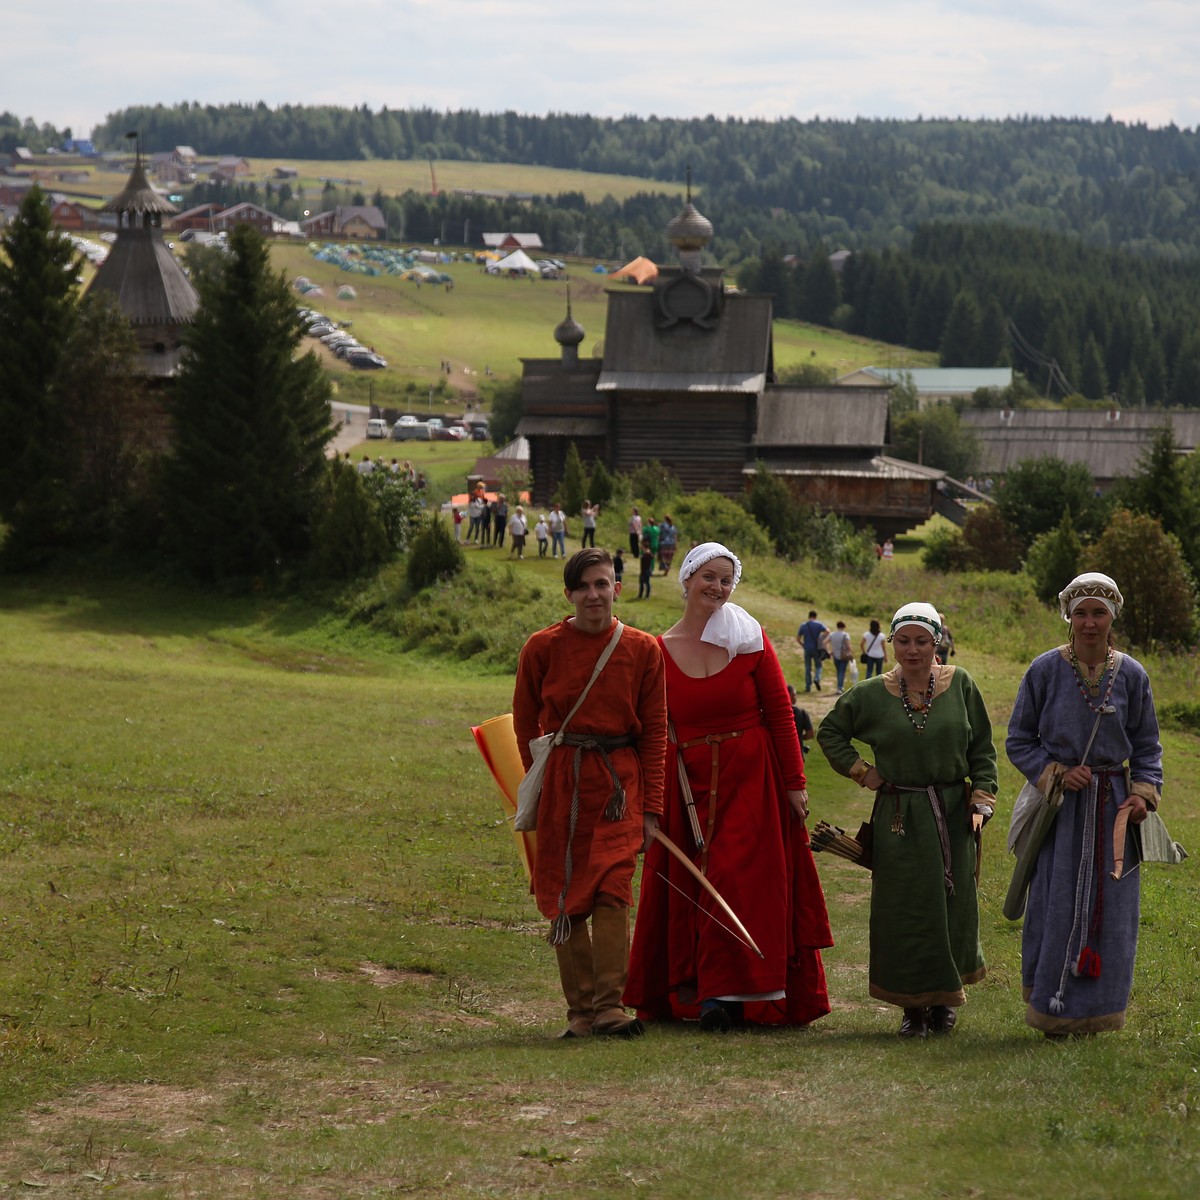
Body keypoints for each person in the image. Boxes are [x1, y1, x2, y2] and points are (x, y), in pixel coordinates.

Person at [626, 543, 832, 1031]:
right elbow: (652, 728)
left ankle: (729, 996)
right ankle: (699, 988)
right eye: (708, 578)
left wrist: (793, 782)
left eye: (725, 580)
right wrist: (650, 800)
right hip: (686, 782)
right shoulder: (658, 650)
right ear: (688, 580)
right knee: (693, 884)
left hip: (751, 777)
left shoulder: (749, 638)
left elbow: (781, 713)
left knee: (738, 880)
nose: (716, 588)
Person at [817, 602, 997, 1039]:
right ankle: (911, 1009)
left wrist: (981, 797)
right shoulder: (872, 693)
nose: (912, 650)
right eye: (904, 641)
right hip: (900, 817)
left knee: (951, 907)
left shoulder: (961, 684)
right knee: (905, 910)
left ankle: (943, 1002)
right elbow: (830, 733)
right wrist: (863, 772)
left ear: (937, 642)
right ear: (891, 643)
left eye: (922, 641)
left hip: (953, 813)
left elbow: (983, 749)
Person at [513, 549, 668, 1038]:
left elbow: (656, 734)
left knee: (612, 889)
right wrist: (539, 783)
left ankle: (610, 1008)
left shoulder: (644, 650)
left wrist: (652, 810)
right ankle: (579, 1014)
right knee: (565, 896)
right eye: (583, 586)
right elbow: (523, 724)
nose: (593, 594)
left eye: (602, 584)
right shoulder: (541, 647)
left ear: (616, 588)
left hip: (620, 785)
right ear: (569, 594)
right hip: (563, 781)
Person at [1006, 573, 1163, 1037]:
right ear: (1067, 616)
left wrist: (1142, 792)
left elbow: (1148, 748)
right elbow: (1019, 739)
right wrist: (1054, 771)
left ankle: (1102, 1011)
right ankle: (1052, 1008)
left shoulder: (1132, 674)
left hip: (1115, 808)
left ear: (1112, 616)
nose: (1089, 622)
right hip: (1061, 810)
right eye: (1081, 612)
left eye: (1099, 612)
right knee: (1056, 901)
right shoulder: (1044, 670)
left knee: (1113, 911)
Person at [796, 610, 828, 692]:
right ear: (815, 616)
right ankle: (817, 678)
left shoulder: (803, 625)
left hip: (807, 648)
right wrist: (821, 638)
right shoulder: (819, 624)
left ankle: (808, 686)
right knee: (818, 665)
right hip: (816, 648)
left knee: (808, 668)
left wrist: (803, 645)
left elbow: (798, 638)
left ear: (809, 616)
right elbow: (827, 631)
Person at [787, 683, 815, 760]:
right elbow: (810, 734)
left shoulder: (776, 713)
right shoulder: (801, 713)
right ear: (792, 695)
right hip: (797, 753)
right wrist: (799, 737)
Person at [829, 620, 853, 693]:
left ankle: (839, 686)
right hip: (843, 656)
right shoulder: (845, 635)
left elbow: (824, 642)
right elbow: (848, 646)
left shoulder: (832, 635)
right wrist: (850, 653)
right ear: (844, 626)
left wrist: (829, 651)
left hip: (835, 655)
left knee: (838, 671)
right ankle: (839, 687)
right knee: (842, 672)